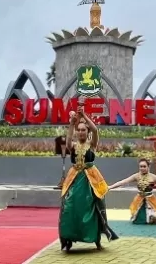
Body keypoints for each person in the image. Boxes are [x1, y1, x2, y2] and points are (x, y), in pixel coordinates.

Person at [58, 108, 118, 252]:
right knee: (69, 207)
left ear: (87, 132)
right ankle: (68, 239)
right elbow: (67, 143)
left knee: (94, 208)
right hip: (74, 179)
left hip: (90, 180)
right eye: (79, 130)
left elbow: (96, 130)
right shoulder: (73, 145)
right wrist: (72, 123)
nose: (81, 132)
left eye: (83, 130)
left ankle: (96, 240)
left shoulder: (92, 144)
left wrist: (84, 115)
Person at [109, 157, 156, 224]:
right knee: (135, 217)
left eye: (144, 166)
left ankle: (152, 217)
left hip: (150, 199)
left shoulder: (153, 177)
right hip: (139, 198)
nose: (142, 168)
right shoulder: (136, 176)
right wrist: (110, 187)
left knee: (153, 216)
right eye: (141, 166)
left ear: (148, 167)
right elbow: (123, 182)